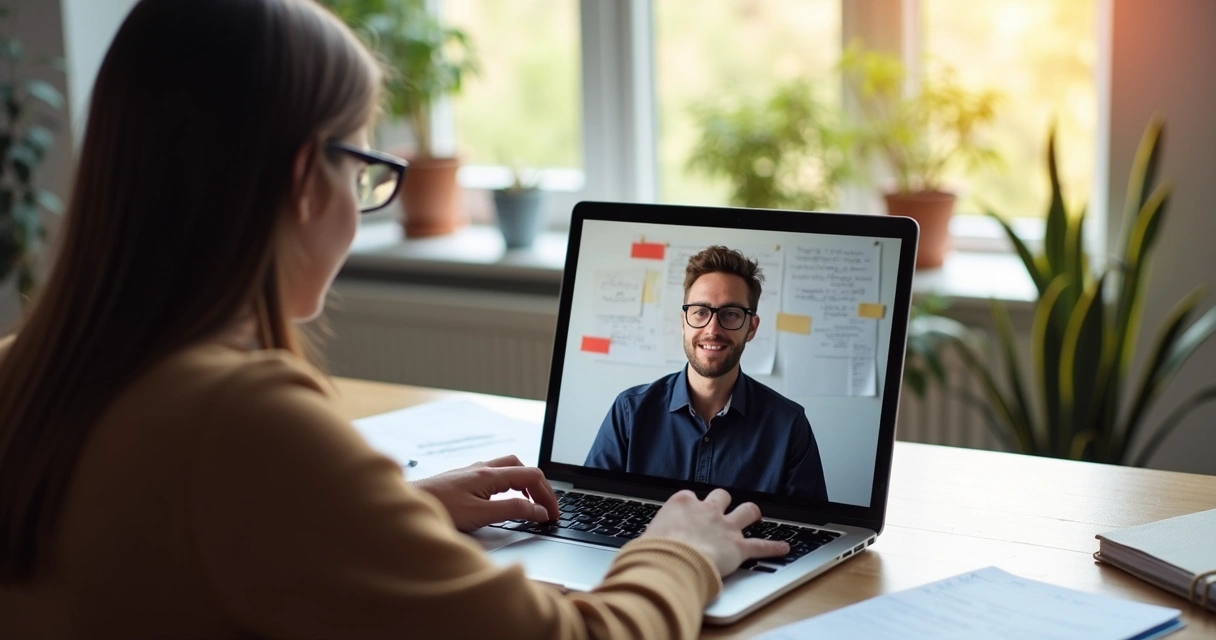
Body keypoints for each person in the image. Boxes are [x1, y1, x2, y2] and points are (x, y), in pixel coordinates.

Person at [0, 1, 791, 637]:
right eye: (367, 171)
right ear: (310, 178)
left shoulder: (32, 371)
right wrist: (679, 554)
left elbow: (199, 539)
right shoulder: (241, 422)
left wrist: (387, 519)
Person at [585, 246, 829, 502]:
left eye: (731, 314)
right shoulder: (629, 411)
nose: (712, 329)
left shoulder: (789, 425)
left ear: (751, 328)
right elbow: (590, 507)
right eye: (700, 312)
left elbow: (807, 527)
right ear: (683, 321)